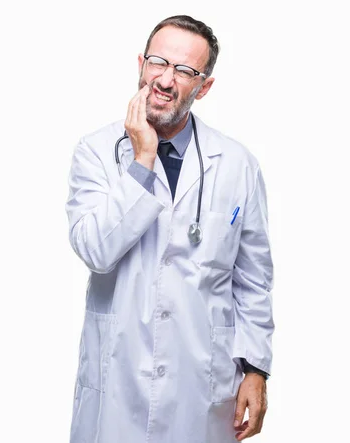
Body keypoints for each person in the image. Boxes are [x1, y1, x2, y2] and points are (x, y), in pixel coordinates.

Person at [65, 15, 274, 443]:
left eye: (184, 70)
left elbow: (253, 280)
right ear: (141, 64)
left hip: (202, 387)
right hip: (118, 381)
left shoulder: (236, 164)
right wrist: (142, 160)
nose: (165, 79)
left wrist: (255, 369)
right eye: (158, 62)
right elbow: (94, 250)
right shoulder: (97, 154)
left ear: (204, 86)